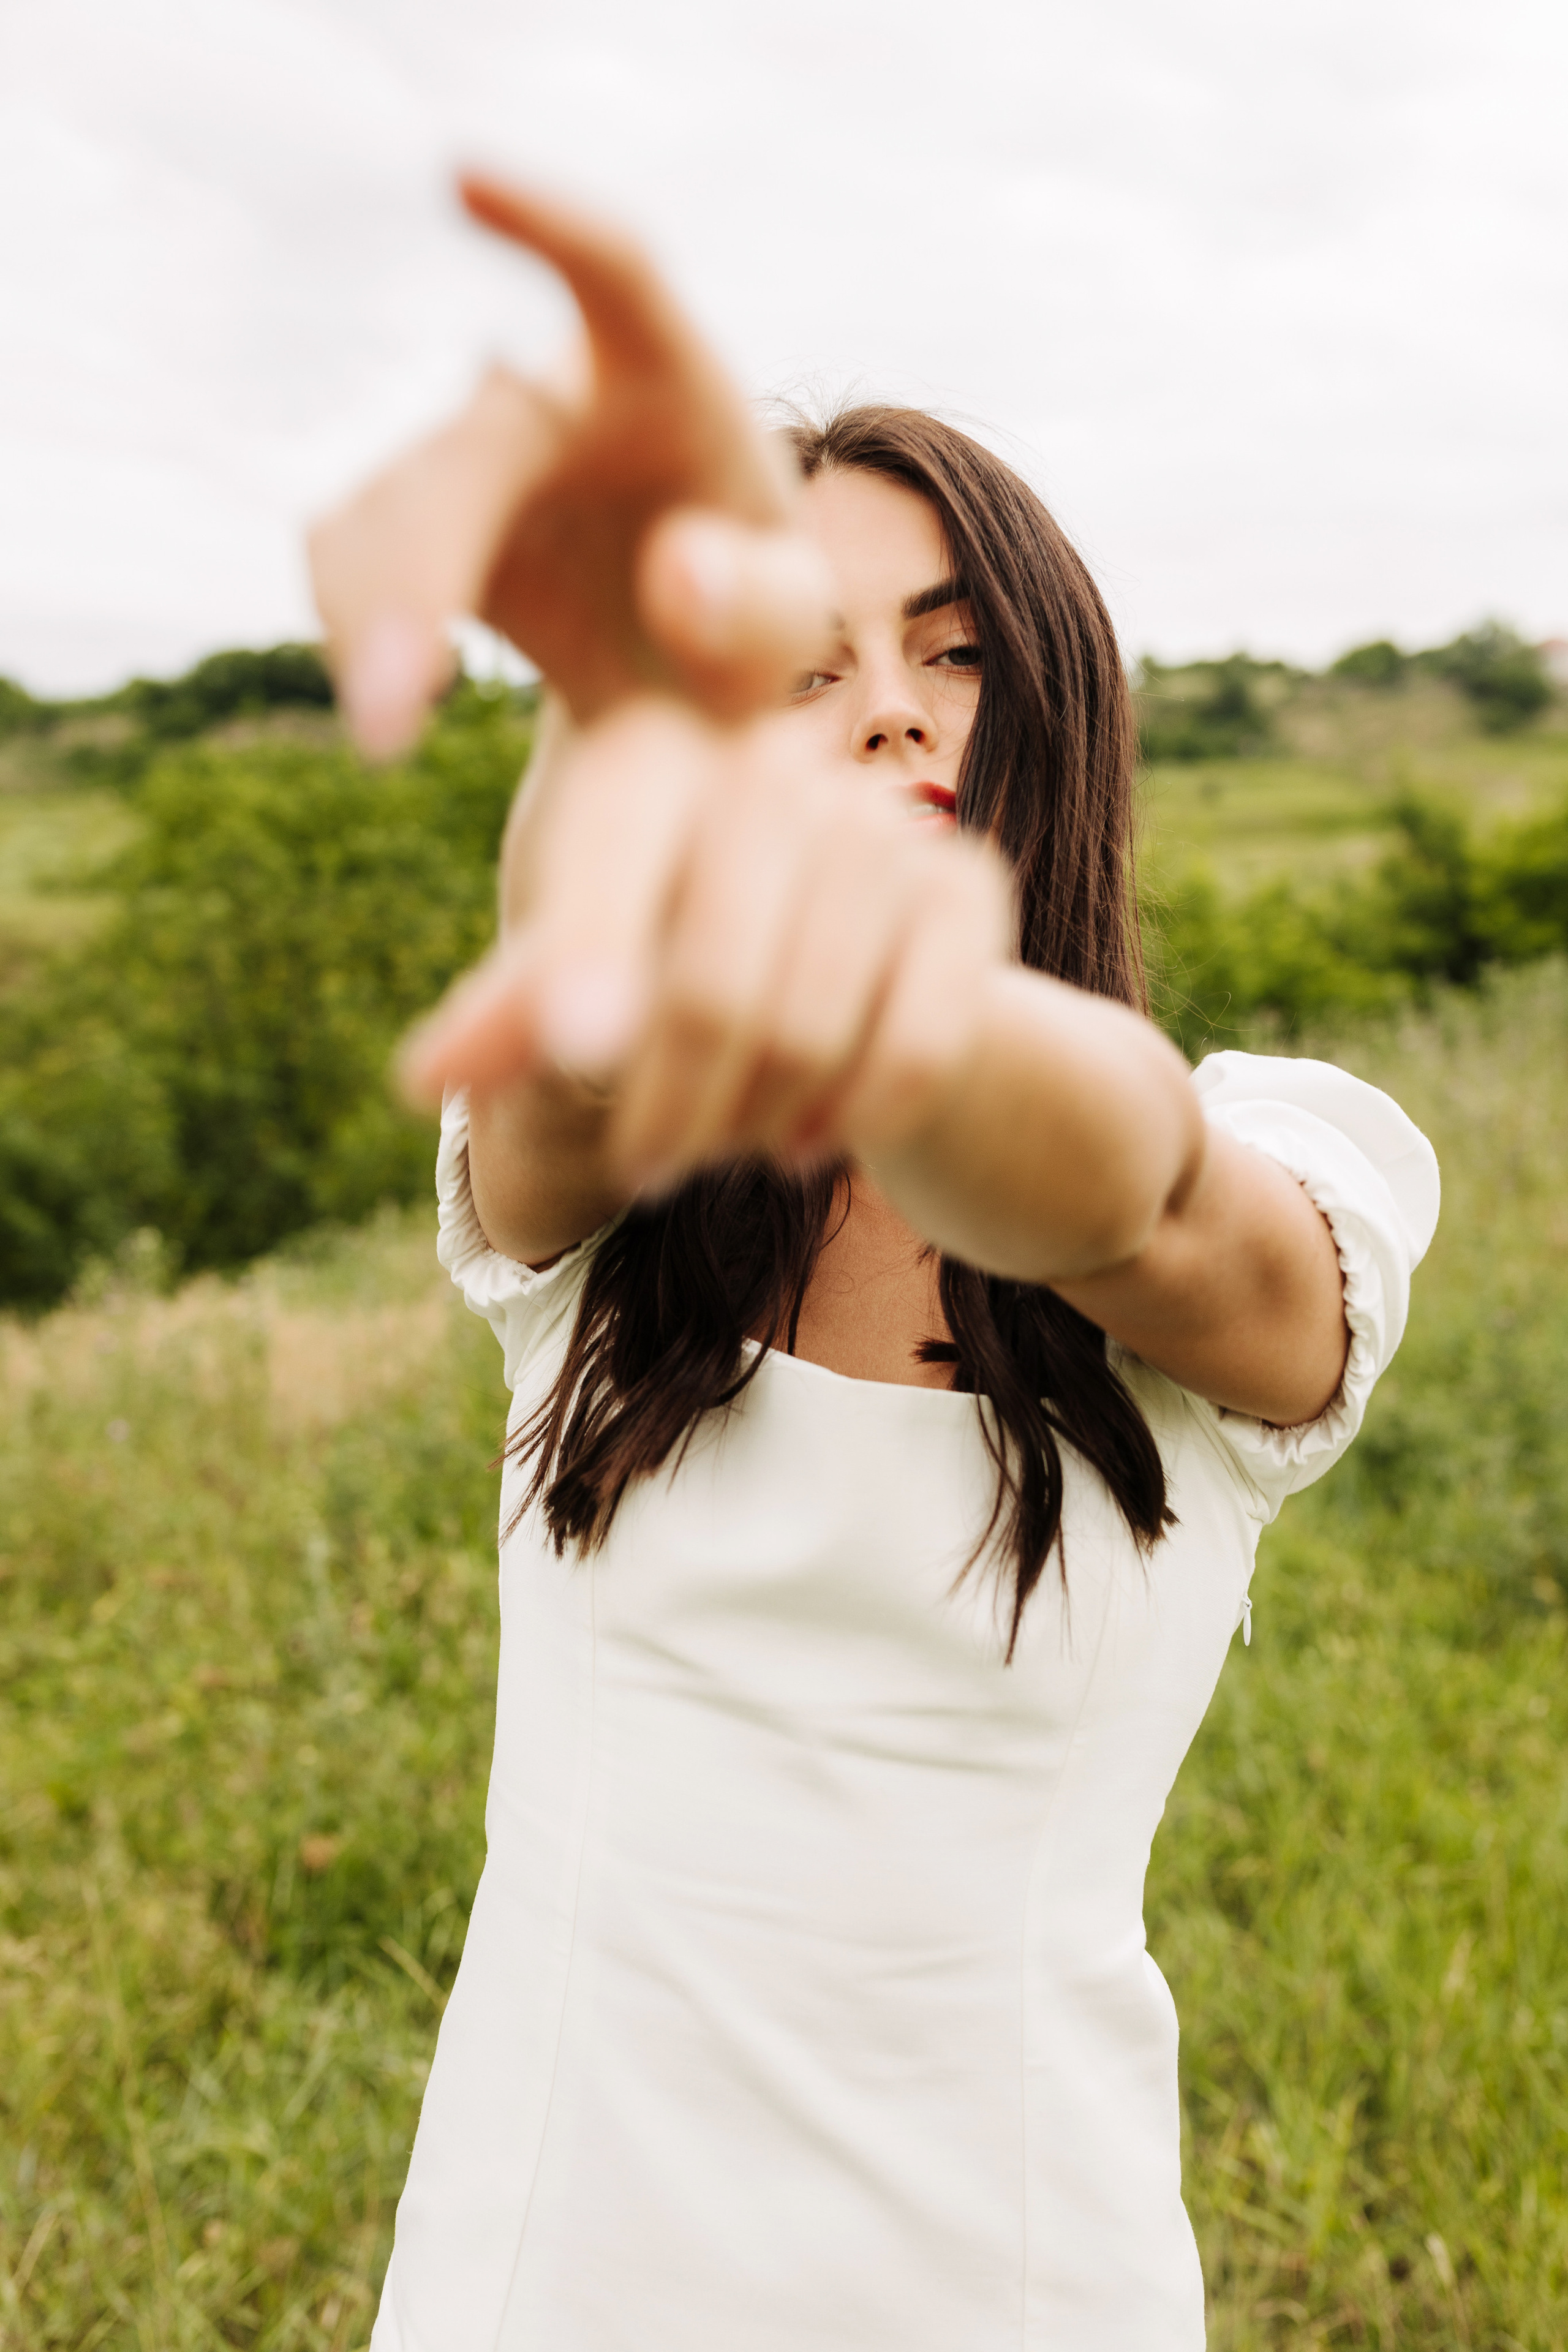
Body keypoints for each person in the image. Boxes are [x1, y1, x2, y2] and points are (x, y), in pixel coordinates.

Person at [311, 176, 1439, 2352]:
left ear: (1055, 704)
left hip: (1013, 2277)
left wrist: (910, 1017)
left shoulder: (1279, 1163)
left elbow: (1114, 1198)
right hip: (550, 2262)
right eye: (798, 667)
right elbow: (569, 995)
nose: (893, 713)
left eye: (952, 651)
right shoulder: (604, 1202)